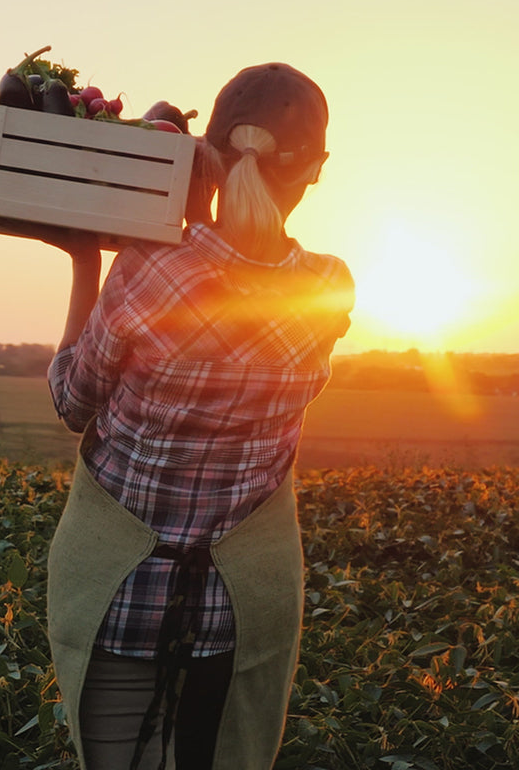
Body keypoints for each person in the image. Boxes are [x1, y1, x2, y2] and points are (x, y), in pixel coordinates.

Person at [42, 63, 354, 770]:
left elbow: (71, 401)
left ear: (204, 154)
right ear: (317, 169)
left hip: (121, 598)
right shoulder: (329, 289)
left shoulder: (151, 271)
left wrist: (86, 260)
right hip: (238, 613)